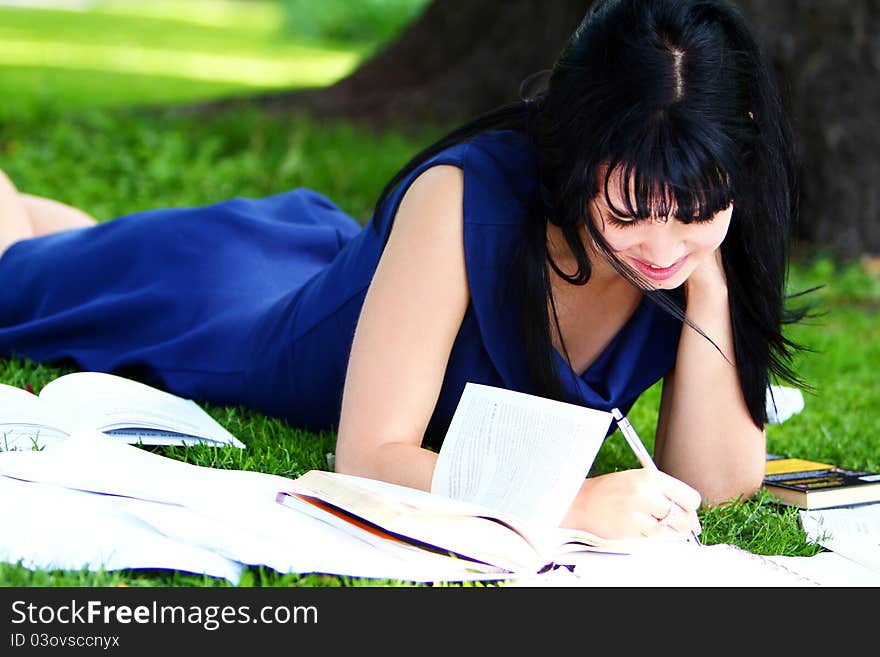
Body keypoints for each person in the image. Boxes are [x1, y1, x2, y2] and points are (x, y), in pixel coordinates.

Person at [0, 0, 804, 541]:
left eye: (693, 210)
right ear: (577, 146)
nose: (661, 246)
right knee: (16, 274)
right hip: (235, 314)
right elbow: (372, 453)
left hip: (346, 270)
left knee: (79, 251)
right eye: (630, 211)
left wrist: (713, 272)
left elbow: (720, 485)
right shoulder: (466, 196)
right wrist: (571, 503)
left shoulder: (704, 221)